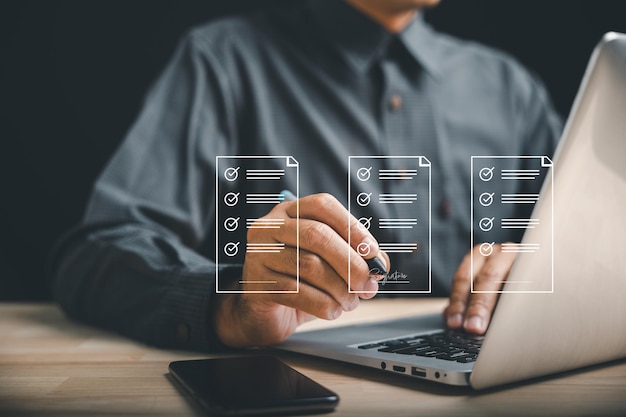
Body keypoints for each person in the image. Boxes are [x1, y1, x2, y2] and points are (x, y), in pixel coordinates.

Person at [48, 0, 562, 351]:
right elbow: (97, 253)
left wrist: (541, 266)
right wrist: (230, 303)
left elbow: (600, 250)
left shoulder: (510, 89)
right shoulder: (224, 62)